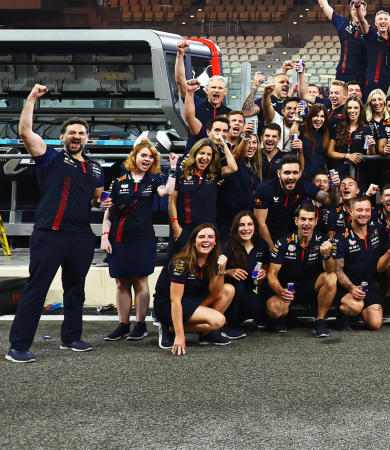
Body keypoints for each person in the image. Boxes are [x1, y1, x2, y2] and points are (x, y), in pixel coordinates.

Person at [7, 85, 104, 363]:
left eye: (81, 133)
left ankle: (71, 337)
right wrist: (31, 98)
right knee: (36, 288)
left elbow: (98, 198)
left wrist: (104, 201)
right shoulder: (50, 157)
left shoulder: (95, 167)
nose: (76, 136)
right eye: (71, 132)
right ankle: (18, 345)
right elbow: (25, 131)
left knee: (76, 288)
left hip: (81, 236)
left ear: (87, 138)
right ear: (62, 137)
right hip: (50, 234)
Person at [100, 141, 168, 342]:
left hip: (143, 238)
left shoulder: (155, 180)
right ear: (134, 157)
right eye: (143, 155)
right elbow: (108, 212)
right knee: (121, 282)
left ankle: (140, 325)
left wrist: (173, 170)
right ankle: (123, 325)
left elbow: (166, 192)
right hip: (119, 238)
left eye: (150, 157)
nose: (146, 159)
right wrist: (104, 237)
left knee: (140, 280)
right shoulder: (118, 181)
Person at [157, 224, 235, 355]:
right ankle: (170, 328)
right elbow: (175, 300)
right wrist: (180, 336)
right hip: (168, 306)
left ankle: (206, 334)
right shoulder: (181, 262)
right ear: (194, 242)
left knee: (229, 289)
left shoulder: (213, 260)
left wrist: (222, 270)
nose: (206, 240)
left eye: (210, 237)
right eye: (201, 237)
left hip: (191, 300)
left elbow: (216, 293)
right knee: (219, 320)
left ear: (215, 242)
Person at [265, 202, 339, 338]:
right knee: (273, 309)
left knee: (332, 277)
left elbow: (330, 270)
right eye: (303, 219)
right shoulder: (284, 242)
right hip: (289, 290)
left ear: (316, 221)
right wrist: (280, 291)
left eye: (310, 219)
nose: (306, 223)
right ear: (296, 221)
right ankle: (288, 316)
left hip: (313, 287)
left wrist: (327, 255)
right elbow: (271, 274)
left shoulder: (322, 240)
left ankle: (320, 320)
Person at [333, 196, 390, 332]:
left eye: (367, 210)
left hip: (369, 286)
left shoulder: (377, 229)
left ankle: (357, 313)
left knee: (375, 324)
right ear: (351, 212)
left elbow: (387, 246)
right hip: (347, 288)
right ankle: (343, 312)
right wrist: (352, 288)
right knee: (354, 307)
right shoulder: (341, 238)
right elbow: (338, 271)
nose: (364, 214)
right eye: (359, 210)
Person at [222, 211, 269, 339]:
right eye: (242, 225)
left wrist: (264, 272)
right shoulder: (227, 246)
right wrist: (229, 272)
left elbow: (266, 266)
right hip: (230, 292)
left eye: (250, 224)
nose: (246, 228)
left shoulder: (262, 245)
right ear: (236, 228)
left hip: (252, 288)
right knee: (238, 285)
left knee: (256, 306)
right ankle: (231, 325)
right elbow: (213, 272)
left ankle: (250, 317)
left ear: (255, 227)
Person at [313, 0, 367, 88]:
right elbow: (324, 5)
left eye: (361, 9)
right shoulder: (343, 24)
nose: (357, 12)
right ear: (351, 12)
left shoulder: (371, 30)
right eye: (354, 9)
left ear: (365, 12)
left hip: (363, 75)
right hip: (343, 74)